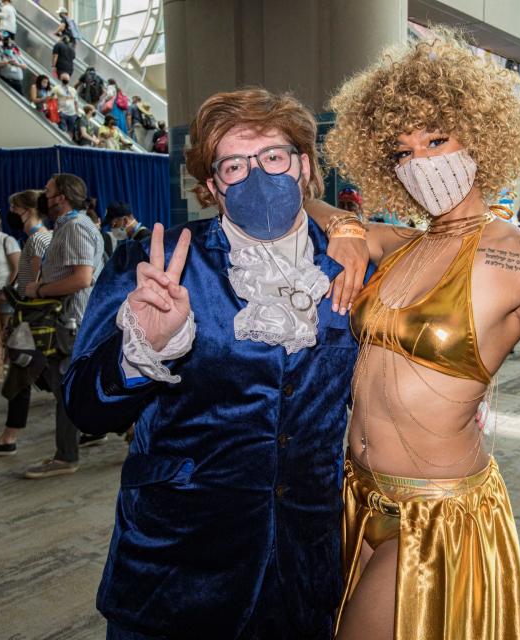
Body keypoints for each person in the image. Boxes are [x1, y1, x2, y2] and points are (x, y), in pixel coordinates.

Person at [61, 88, 368, 639]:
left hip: (304, 574)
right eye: (233, 165)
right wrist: (142, 349)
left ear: (306, 167)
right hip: (174, 569)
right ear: (210, 186)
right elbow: (85, 407)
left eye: (274, 157)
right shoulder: (155, 262)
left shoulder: (351, 269)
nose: (258, 176)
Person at [322, 29, 520, 638]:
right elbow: (305, 207)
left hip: (438, 513)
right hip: (354, 494)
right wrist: (345, 224)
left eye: (436, 139)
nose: (421, 163)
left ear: (480, 134)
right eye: (402, 152)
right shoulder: (399, 243)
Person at [19, 174, 103, 478]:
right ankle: (122, 427)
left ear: (62, 196)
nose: (44, 195)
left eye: (48, 191)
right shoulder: (68, 227)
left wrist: (39, 290)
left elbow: (82, 278)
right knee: (70, 386)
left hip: (72, 321)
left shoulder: (76, 227)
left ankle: (66, 456)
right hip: (69, 320)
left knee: (64, 388)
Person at [0, 190, 53, 456]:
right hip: (30, 317)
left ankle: (9, 438)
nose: (11, 213)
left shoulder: (39, 240)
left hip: (36, 319)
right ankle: (8, 438)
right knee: (30, 377)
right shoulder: (35, 239)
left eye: (14, 208)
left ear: (27, 210)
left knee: (34, 376)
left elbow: (39, 281)